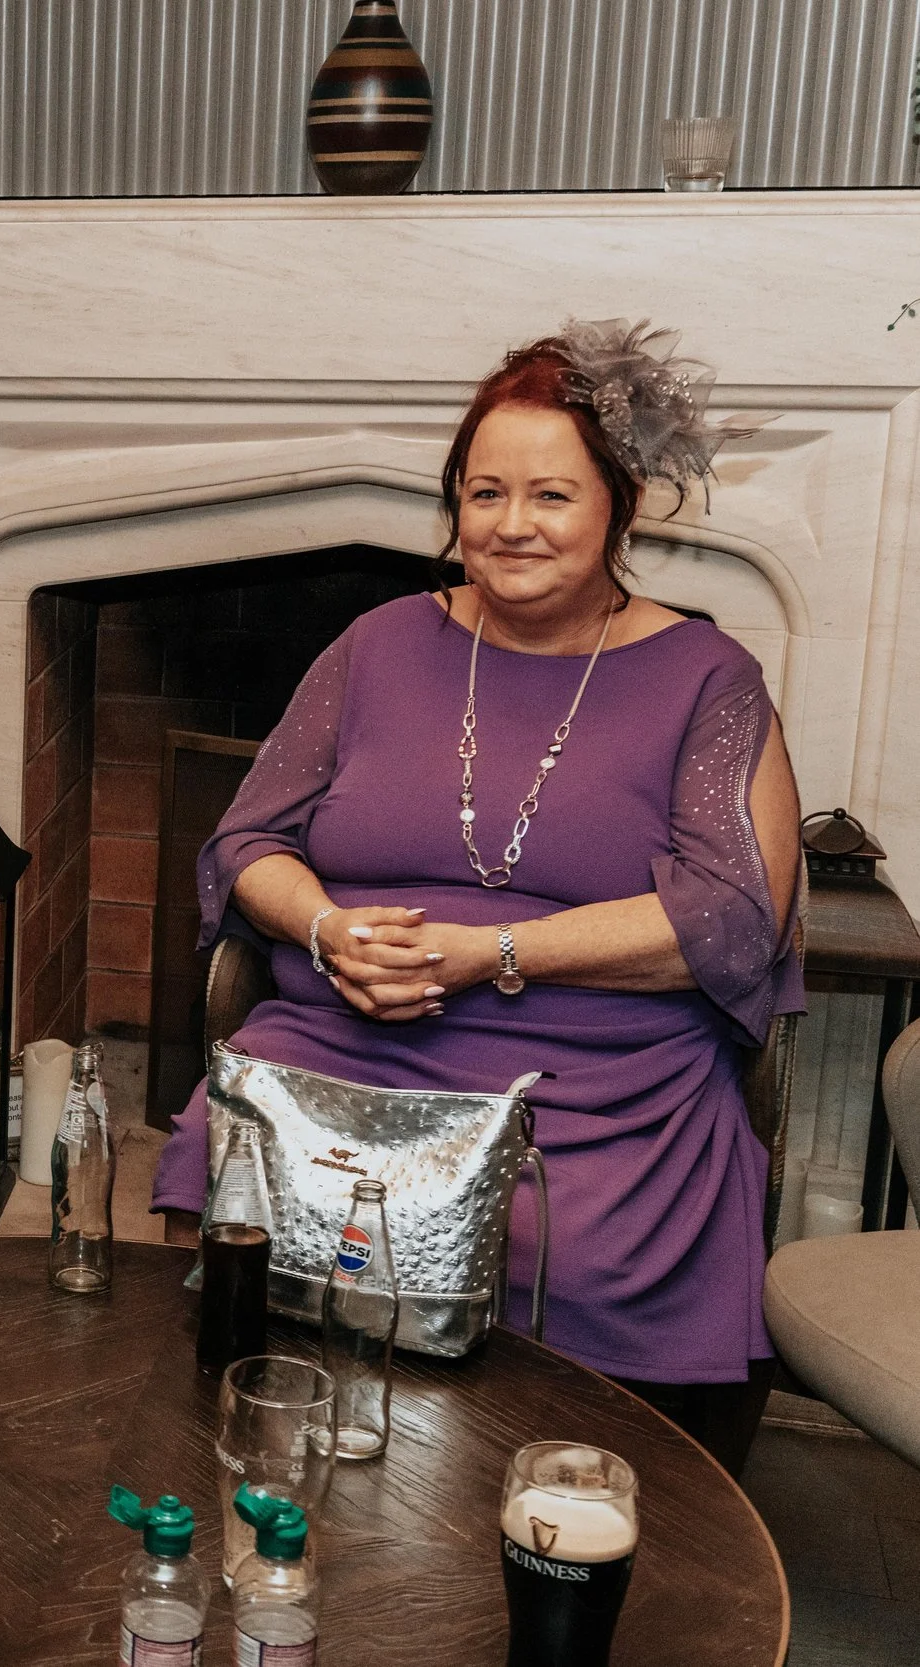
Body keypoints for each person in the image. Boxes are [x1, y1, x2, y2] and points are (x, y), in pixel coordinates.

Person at [151, 320, 803, 1477]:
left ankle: (535, 1499)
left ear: (621, 505)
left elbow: (729, 918)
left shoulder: (708, 678)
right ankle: (256, 1459)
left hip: (592, 1084)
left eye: (551, 493)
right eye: (483, 491)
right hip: (344, 1044)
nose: (511, 523)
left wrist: (491, 952)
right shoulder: (375, 644)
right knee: (225, 1162)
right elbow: (248, 837)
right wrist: (324, 925)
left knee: (571, 1243)